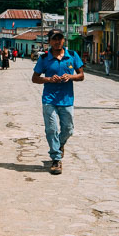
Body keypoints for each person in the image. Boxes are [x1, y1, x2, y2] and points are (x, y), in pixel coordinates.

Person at [31, 30, 84, 175]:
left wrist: (70, 77)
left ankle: (59, 145)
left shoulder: (72, 55)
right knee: (51, 129)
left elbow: (81, 75)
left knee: (68, 129)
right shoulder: (44, 58)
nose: (57, 42)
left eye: (60, 39)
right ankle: (56, 159)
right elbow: (34, 78)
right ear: (49, 41)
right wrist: (49, 79)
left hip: (67, 100)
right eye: (54, 39)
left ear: (63, 41)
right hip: (49, 99)